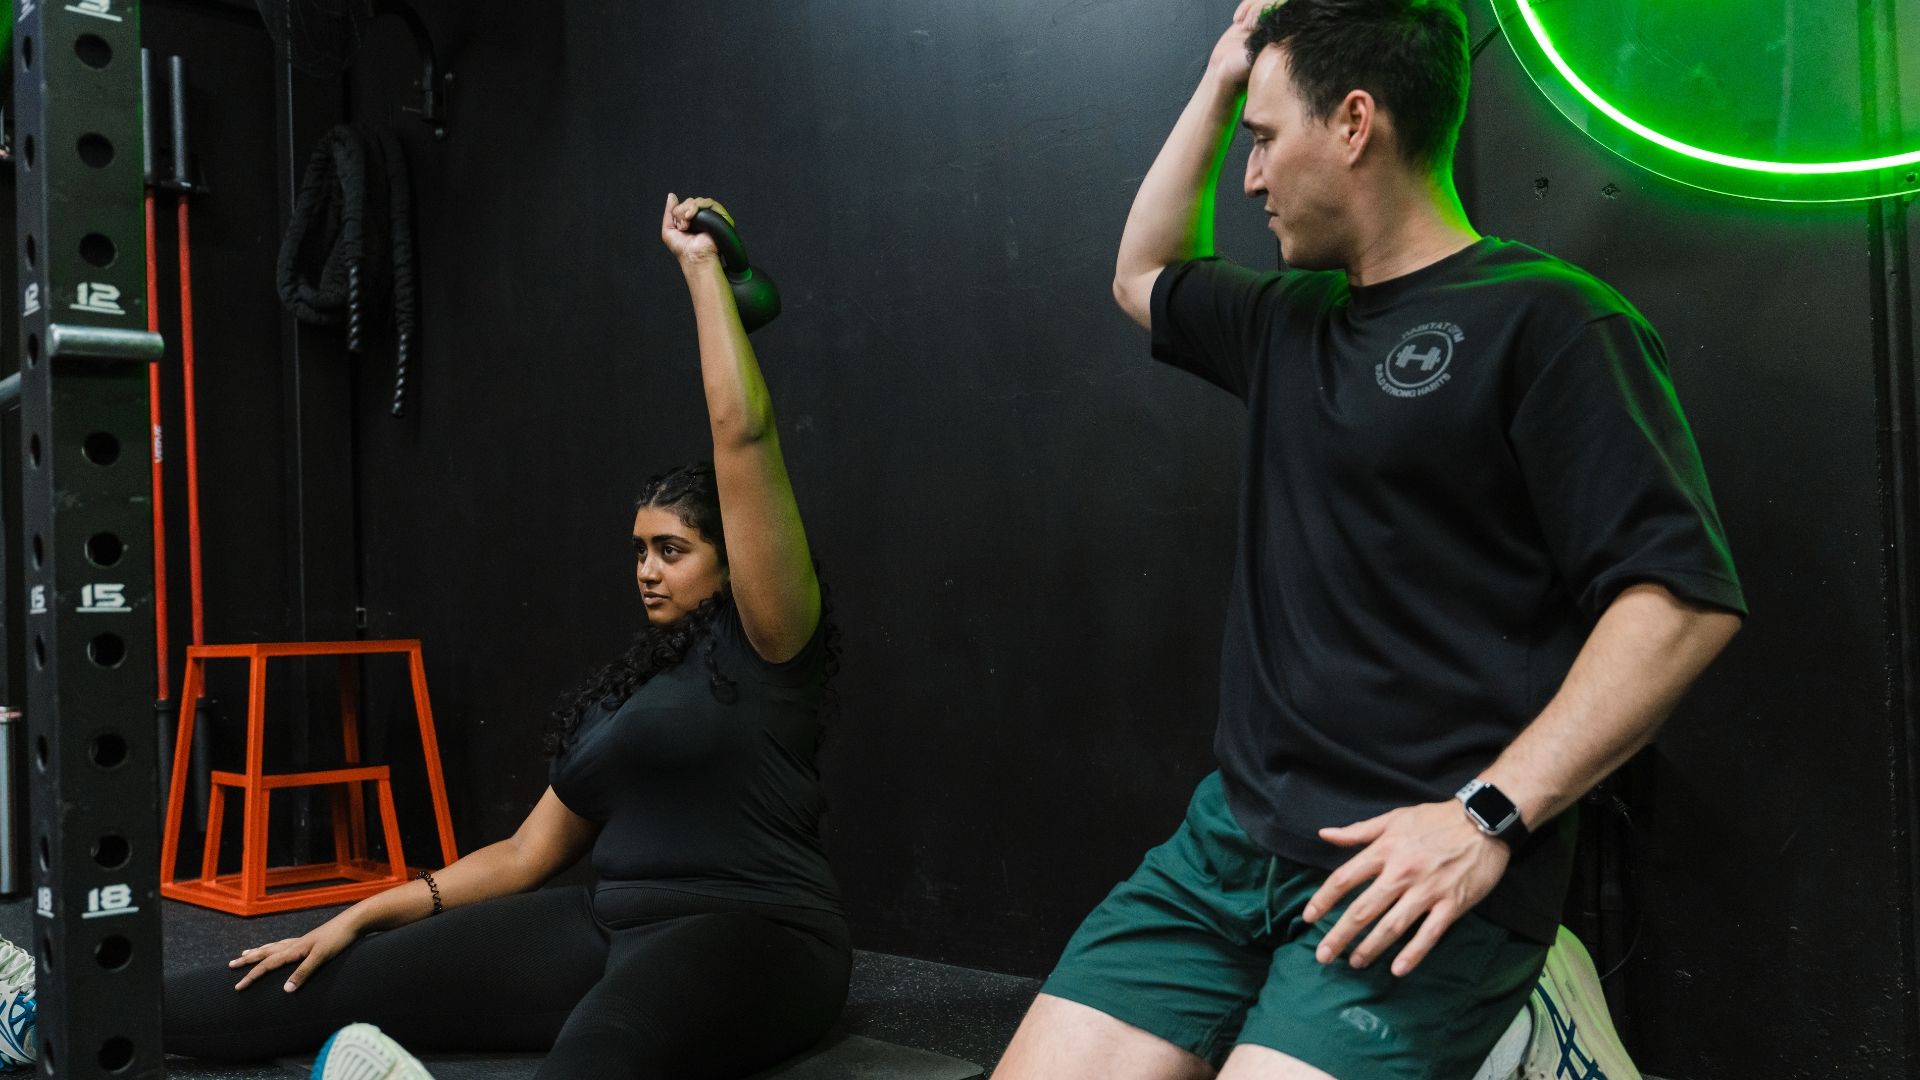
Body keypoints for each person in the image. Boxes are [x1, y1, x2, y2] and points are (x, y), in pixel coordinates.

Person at [993, 3, 1745, 1078]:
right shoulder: (1289, 320)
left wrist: (1487, 819)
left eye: (1262, 141)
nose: (1248, 180)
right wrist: (1221, 84)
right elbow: (1139, 272)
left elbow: (1679, 602)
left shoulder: (1552, 322)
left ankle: (1529, 1013)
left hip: (1415, 869)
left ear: (1355, 123)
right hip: (1229, 847)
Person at [163, 195, 850, 1080]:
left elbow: (742, 435)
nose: (645, 569)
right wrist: (363, 914)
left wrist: (698, 269)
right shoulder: (626, 696)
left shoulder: (773, 645)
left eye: (672, 550)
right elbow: (526, 855)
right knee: (304, 978)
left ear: (734, 562)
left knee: (594, 1058)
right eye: (639, 550)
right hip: (607, 926)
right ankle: (56, 1007)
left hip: (754, 935)